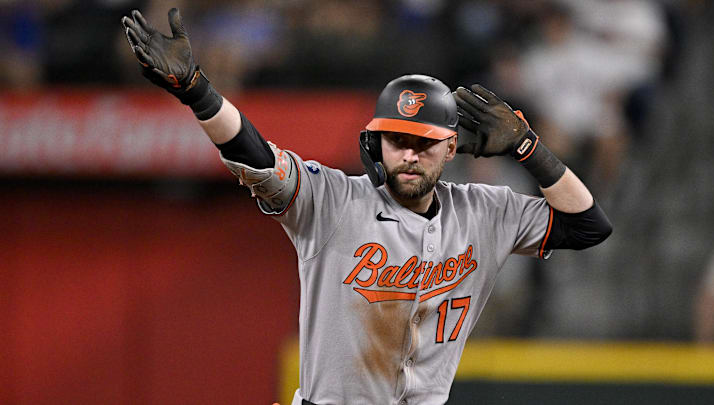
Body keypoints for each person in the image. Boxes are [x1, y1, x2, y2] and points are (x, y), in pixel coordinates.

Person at [121, 8, 612, 404]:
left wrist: (528, 148)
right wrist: (197, 92)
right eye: (396, 140)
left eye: (423, 142)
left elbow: (588, 226)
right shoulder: (333, 201)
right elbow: (256, 155)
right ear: (375, 145)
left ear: (451, 148)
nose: (409, 154)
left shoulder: (487, 211)